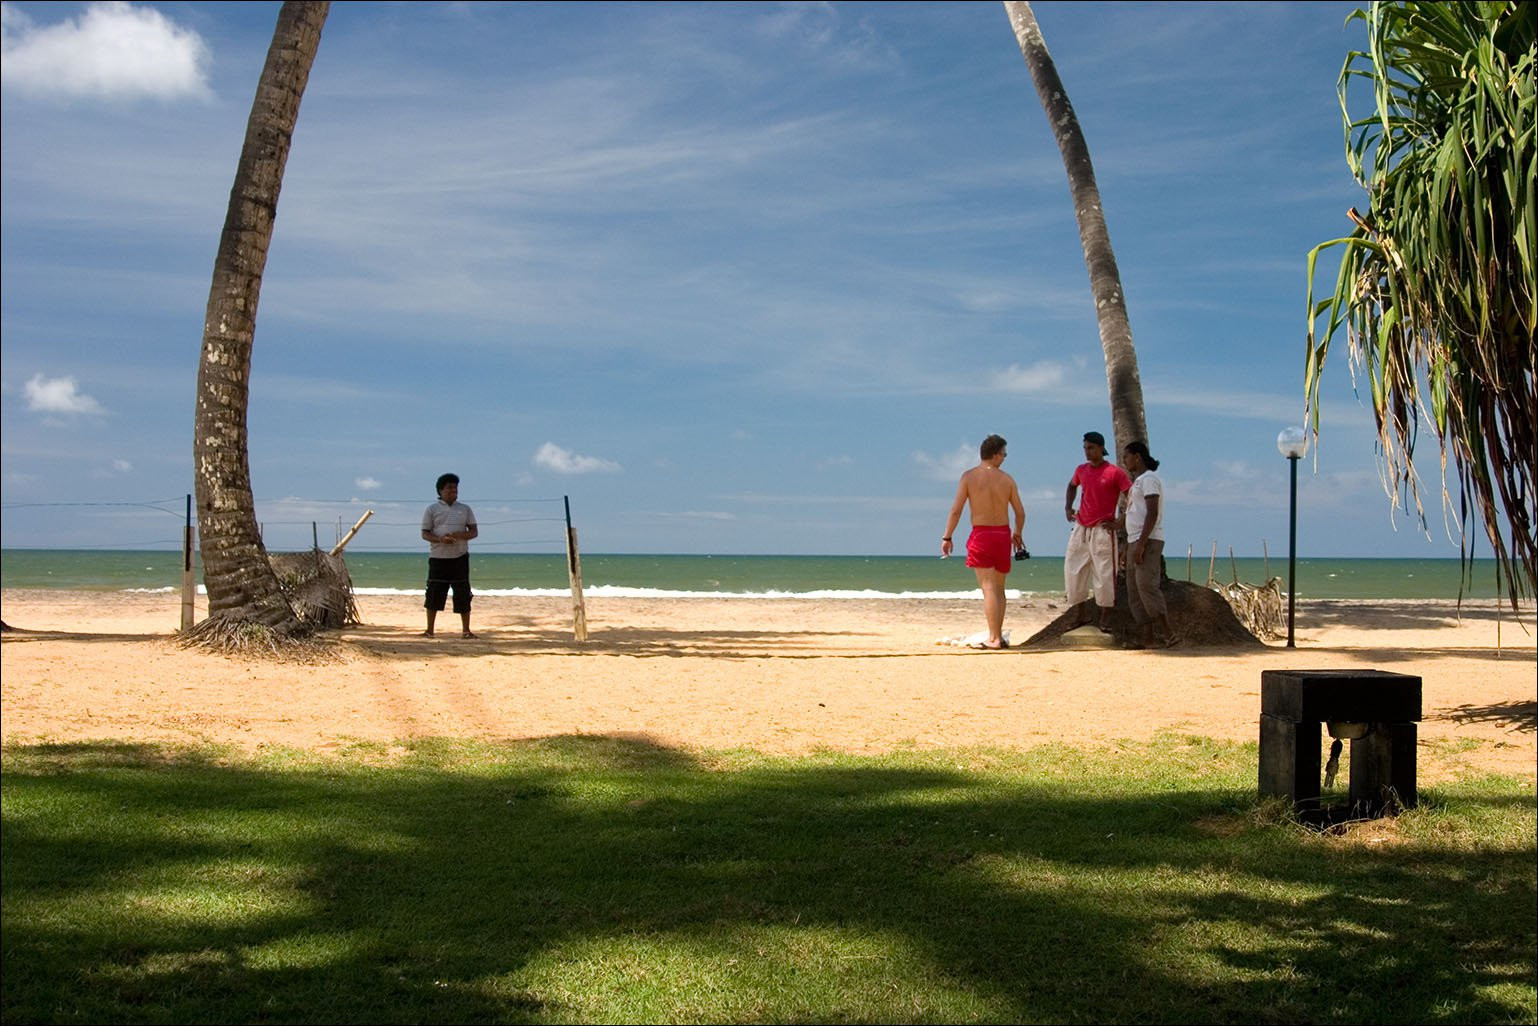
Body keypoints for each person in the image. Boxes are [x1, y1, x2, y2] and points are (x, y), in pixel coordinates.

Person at [942, 434, 1026, 649]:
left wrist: (947, 536)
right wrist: (1017, 533)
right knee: (999, 589)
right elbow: (1020, 513)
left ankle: (994, 638)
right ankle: (997, 636)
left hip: (982, 534)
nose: (1004, 458)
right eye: (1004, 454)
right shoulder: (1007, 479)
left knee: (988, 588)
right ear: (995, 455)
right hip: (1003, 535)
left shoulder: (969, 477)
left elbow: (956, 510)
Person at [1063, 430, 1131, 631]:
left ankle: (1105, 619)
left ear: (1101, 448)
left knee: (1104, 573)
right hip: (1081, 526)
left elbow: (1132, 496)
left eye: (1091, 448)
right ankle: (1080, 614)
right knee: (1074, 569)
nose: (1087, 451)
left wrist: (1121, 522)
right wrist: (1068, 507)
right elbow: (1071, 486)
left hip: (1103, 528)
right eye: (1085, 448)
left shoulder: (1114, 472)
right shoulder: (1081, 470)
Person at [1120, 440, 1173, 648]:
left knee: (1146, 586)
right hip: (1135, 539)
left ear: (1137, 457)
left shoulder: (1149, 479)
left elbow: (1152, 513)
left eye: (1126, 456)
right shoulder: (1138, 483)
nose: (1125, 461)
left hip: (1148, 539)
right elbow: (1134, 513)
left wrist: (1141, 544)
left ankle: (1168, 634)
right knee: (1134, 590)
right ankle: (1148, 638)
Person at [421, 472, 478, 638]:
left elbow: (474, 531)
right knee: (434, 592)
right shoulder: (432, 509)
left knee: (463, 593)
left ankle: (466, 631)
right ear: (441, 490)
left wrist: (460, 535)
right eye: (449, 488)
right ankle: (429, 630)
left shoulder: (465, 509)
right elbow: (425, 533)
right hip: (438, 557)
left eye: (455, 488)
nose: (453, 491)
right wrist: (440, 539)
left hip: (460, 556)